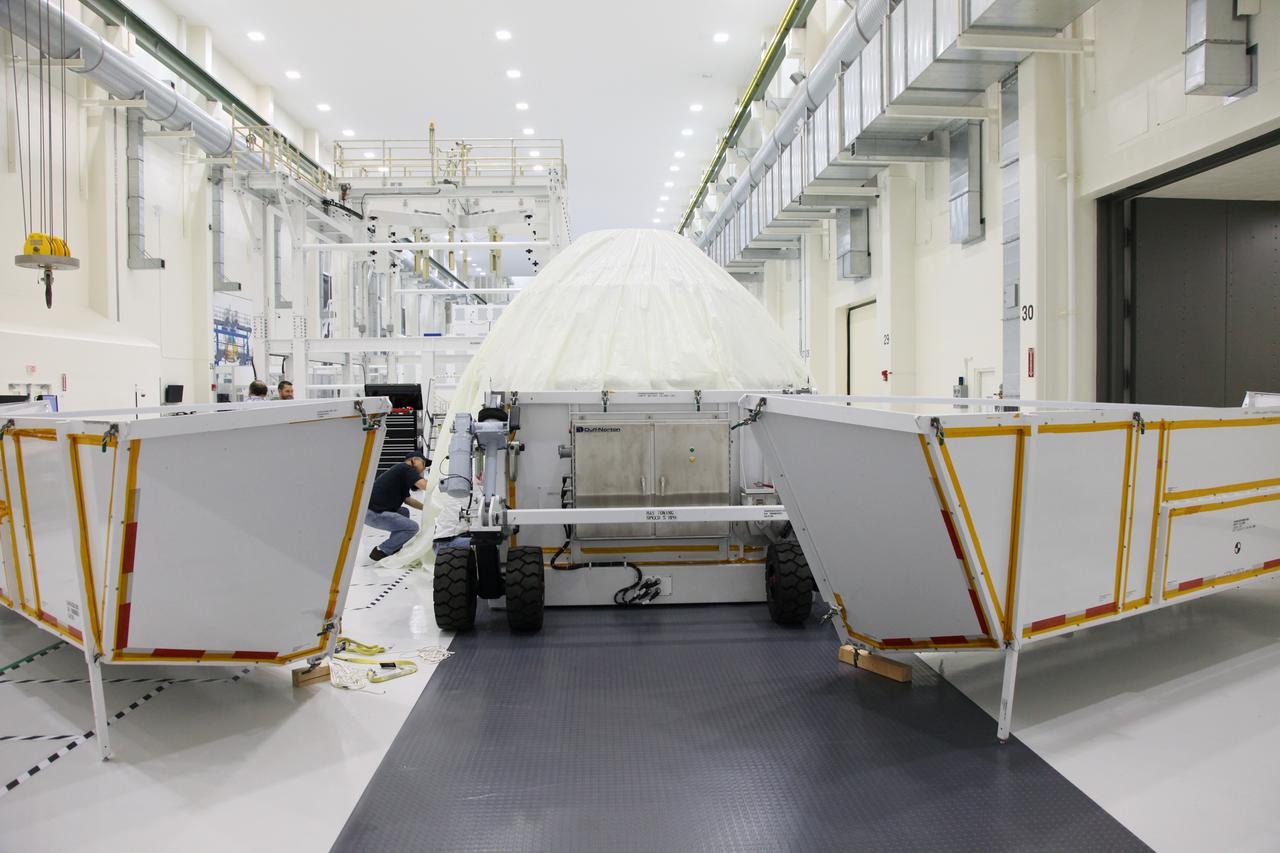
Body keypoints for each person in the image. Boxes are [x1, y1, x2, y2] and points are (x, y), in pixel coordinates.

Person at [366, 454, 429, 561]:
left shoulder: (400, 472)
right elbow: (424, 485)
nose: (424, 468)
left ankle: (394, 547)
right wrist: (440, 485)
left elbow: (408, 500)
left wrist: (426, 508)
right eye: (423, 464)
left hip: (370, 512)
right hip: (375, 513)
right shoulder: (406, 468)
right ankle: (381, 550)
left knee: (404, 511)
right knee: (412, 527)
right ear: (414, 460)